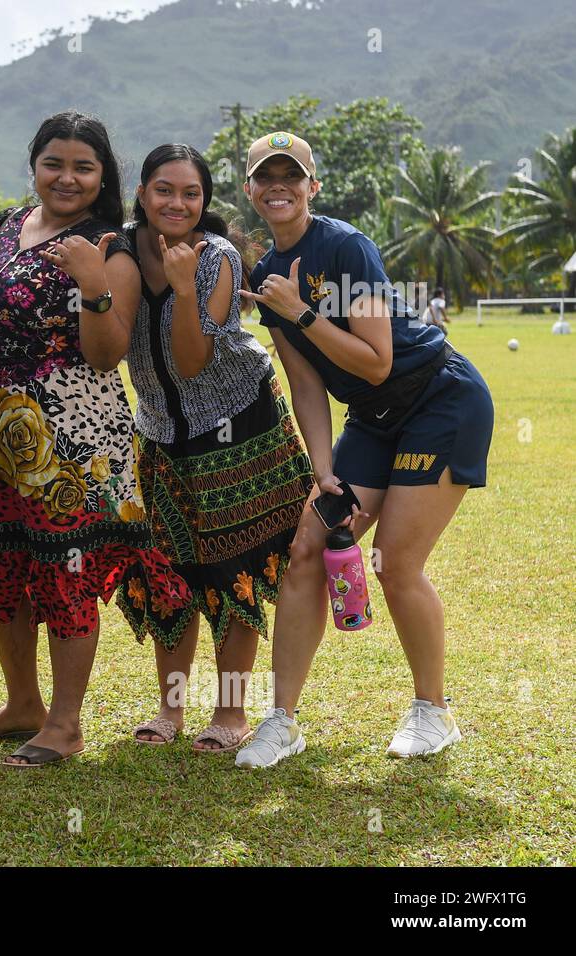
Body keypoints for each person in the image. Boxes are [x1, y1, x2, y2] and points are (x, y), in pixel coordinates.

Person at [235, 131, 494, 766]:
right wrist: (323, 472)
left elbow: (377, 361)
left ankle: (433, 712)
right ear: (249, 191)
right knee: (306, 548)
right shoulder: (267, 275)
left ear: (311, 188)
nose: (278, 186)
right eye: (265, 176)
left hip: (439, 400)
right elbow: (306, 383)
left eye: (290, 176)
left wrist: (300, 313)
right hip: (373, 421)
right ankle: (282, 721)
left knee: (393, 561)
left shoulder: (347, 247)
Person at [0, 111, 189, 767]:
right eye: (55, 162)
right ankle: (21, 703)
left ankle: (66, 722)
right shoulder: (3, 226)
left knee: (64, 570)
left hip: (74, 431)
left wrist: (92, 284)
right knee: (2, 565)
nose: (67, 177)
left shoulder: (112, 247)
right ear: (35, 164)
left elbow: (108, 355)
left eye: (84, 166)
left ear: (102, 176)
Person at [115, 145, 314, 752]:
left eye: (191, 193)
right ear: (143, 194)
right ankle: (170, 711)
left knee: (236, 566)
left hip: (238, 425)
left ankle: (229, 715)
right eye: (164, 190)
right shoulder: (120, 249)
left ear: (204, 201)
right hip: (160, 432)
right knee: (168, 569)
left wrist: (179, 289)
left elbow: (195, 362)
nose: (177, 203)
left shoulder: (217, 257)